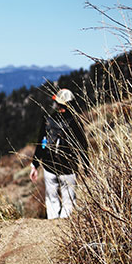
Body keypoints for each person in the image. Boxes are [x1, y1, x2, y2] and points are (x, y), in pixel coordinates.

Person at [29, 88, 88, 219]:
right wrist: (86, 166)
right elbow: (82, 146)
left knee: (52, 199)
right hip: (68, 167)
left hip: (49, 166)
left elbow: (41, 144)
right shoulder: (75, 122)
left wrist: (35, 165)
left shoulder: (48, 120)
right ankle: (64, 228)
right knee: (68, 200)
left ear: (58, 103)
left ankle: (51, 226)